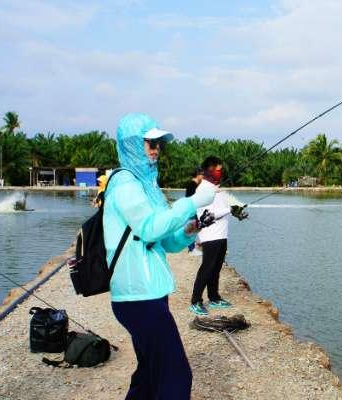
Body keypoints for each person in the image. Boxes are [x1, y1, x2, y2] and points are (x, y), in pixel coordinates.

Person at [103, 113, 215, 399]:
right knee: (176, 375)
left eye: (159, 143)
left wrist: (188, 231)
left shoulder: (147, 186)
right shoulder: (125, 184)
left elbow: (166, 243)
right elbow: (149, 228)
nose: (156, 148)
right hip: (136, 296)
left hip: (151, 292)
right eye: (150, 142)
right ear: (131, 144)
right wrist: (192, 201)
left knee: (150, 373)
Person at [189, 156, 248, 316]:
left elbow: (223, 207)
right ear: (209, 170)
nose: (220, 173)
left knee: (216, 268)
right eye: (218, 170)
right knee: (207, 268)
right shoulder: (203, 189)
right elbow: (208, 214)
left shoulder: (217, 189)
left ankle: (214, 297)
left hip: (222, 235)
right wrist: (231, 209)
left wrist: (237, 212)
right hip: (210, 236)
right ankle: (195, 301)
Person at [185, 167, 204, 255]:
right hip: (192, 210)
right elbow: (193, 199)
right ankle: (191, 250)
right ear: (198, 175)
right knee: (193, 229)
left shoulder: (193, 184)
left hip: (192, 210)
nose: (203, 176)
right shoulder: (193, 185)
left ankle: (193, 246)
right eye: (202, 174)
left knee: (195, 228)